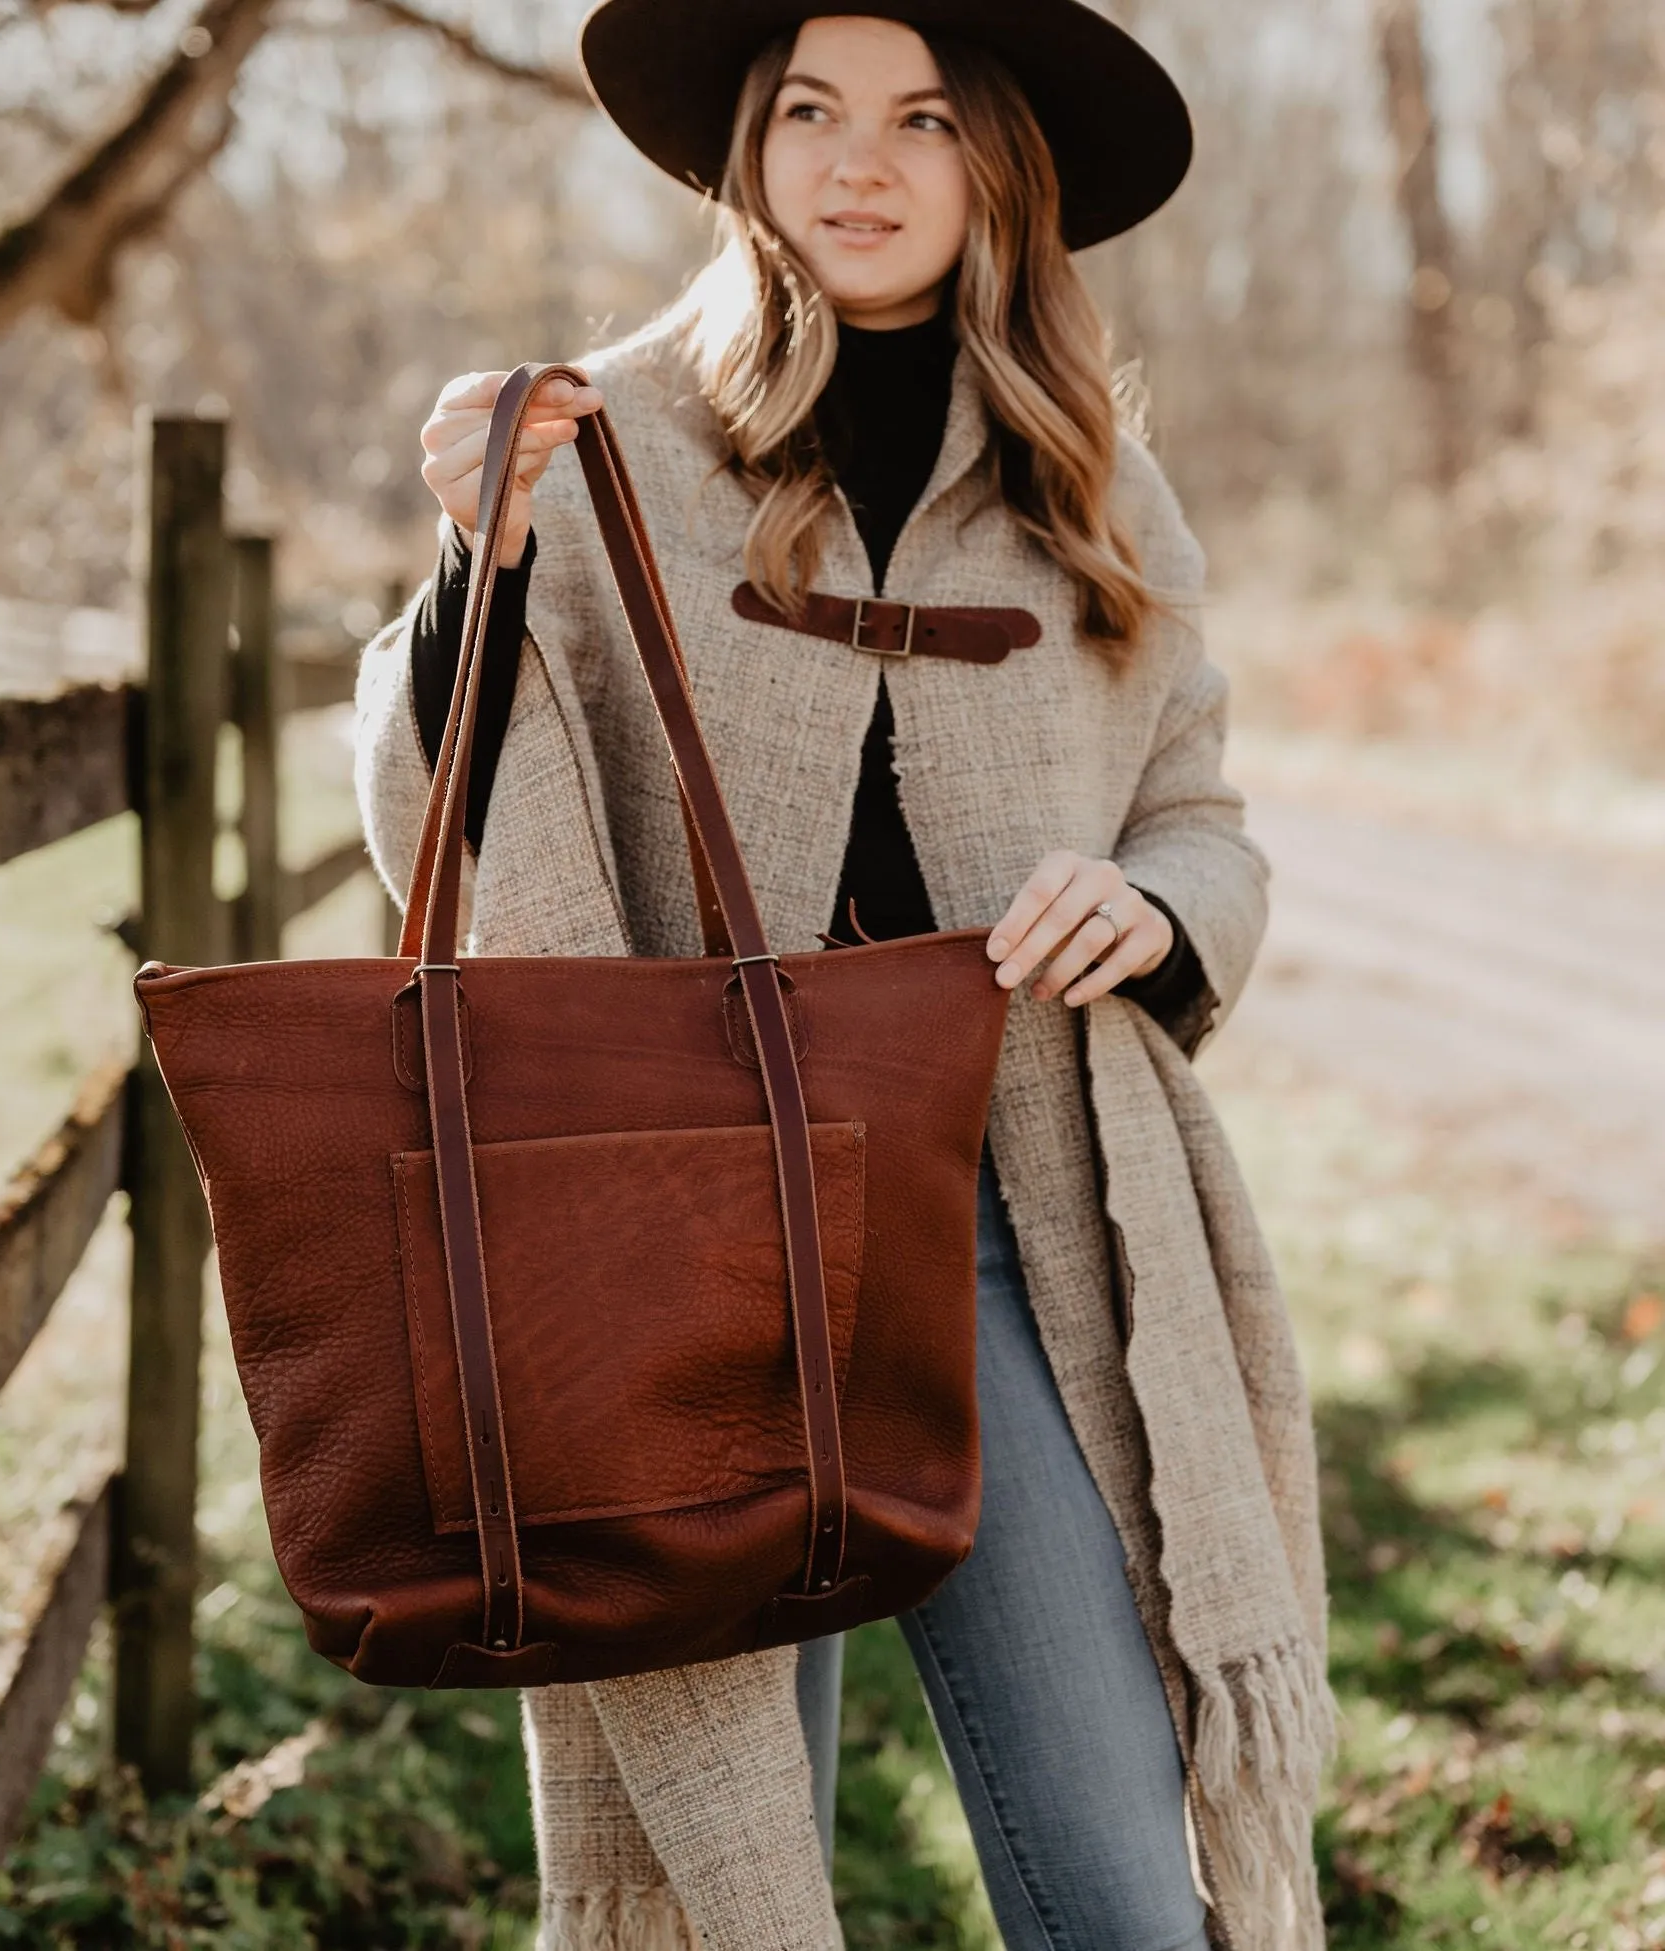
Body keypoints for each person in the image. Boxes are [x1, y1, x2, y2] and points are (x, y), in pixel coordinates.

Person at [355, 7, 1333, 1948]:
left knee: (1132, 1905)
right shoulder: (604, 432)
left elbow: (1203, 808)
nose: (857, 165)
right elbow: (444, 783)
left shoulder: (1099, 492)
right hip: (677, 1239)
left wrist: (1155, 899)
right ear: (750, 147)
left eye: (918, 122)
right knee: (716, 1895)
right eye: (810, 113)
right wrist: (476, 560)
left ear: (1002, 172)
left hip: (1000, 1233)